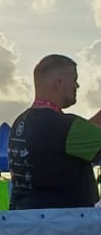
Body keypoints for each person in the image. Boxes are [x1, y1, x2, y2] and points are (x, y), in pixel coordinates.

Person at [9, 55, 101, 209]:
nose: (77, 85)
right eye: (74, 79)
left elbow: (79, 135)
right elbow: (75, 134)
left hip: (27, 218)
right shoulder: (64, 127)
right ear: (59, 83)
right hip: (67, 221)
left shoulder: (21, 122)